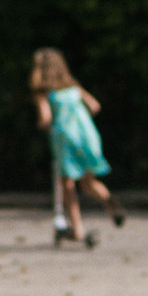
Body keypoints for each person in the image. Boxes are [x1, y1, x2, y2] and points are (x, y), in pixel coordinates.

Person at [31, 48, 124, 248]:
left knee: (68, 184)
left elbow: (45, 119)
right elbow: (95, 106)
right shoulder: (72, 86)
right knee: (89, 182)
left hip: (64, 139)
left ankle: (78, 229)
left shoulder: (44, 91)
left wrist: (44, 125)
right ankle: (111, 204)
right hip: (87, 136)